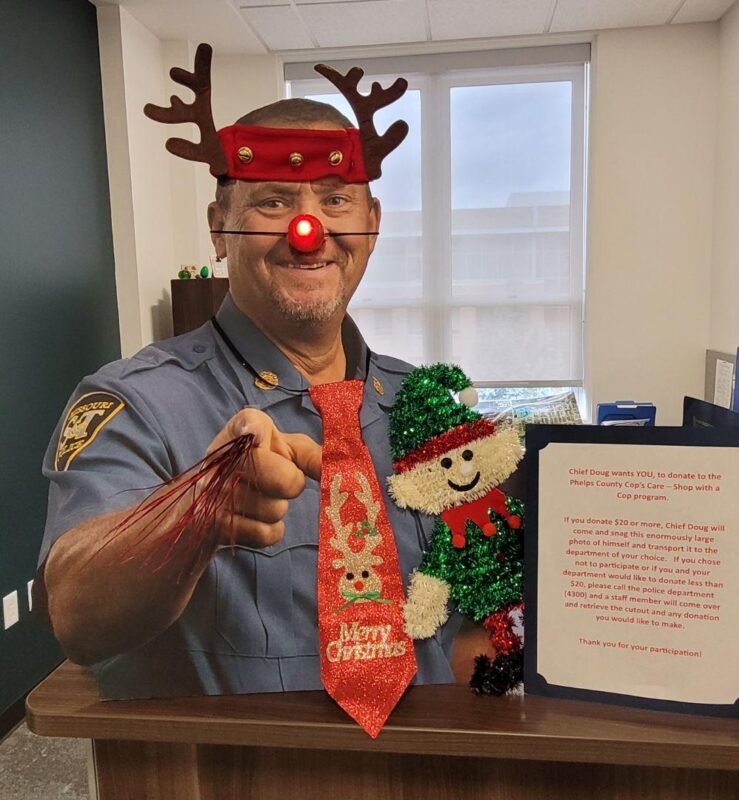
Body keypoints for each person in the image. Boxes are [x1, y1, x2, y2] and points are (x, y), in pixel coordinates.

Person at [37, 78, 466, 699]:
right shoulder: (136, 404)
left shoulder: (430, 411)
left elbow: (476, 600)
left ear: (372, 224)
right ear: (220, 228)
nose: (308, 229)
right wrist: (196, 513)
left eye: (337, 199)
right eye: (272, 202)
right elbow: (75, 615)